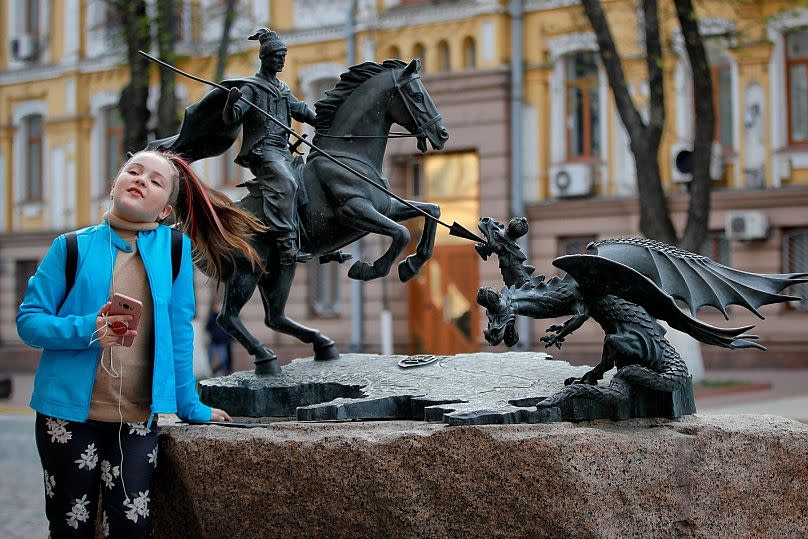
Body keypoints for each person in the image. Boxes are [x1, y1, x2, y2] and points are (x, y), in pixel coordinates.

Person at [16, 150, 264, 538]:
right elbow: (29, 322)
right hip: (65, 417)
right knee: (70, 528)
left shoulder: (176, 251)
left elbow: (181, 331)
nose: (140, 179)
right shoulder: (70, 247)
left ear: (165, 209)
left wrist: (189, 406)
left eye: (154, 180)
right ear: (114, 185)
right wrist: (89, 328)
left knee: (133, 528)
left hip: (136, 420)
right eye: (133, 171)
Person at [221, 27, 317, 265]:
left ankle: (309, 239)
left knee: (309, 186)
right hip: (263, 152)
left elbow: (302, 111)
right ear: (264, 57)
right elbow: (232, 117)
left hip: (283, 151)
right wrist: (231, 103)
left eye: (284, 56)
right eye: (277, 56)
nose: (282, 61)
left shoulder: (282, 89)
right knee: (287, 182)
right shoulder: (251, 88)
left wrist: (328, 122)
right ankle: (286, 246)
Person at [206, 299, 233, 376]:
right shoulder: (211, 317)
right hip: (214, 340)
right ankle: (212, 371)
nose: (216, 307)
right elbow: (207, 327)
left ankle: (223, 372)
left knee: (224, 357)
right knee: (210, 357)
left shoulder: (222, 317)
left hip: (222, 341)